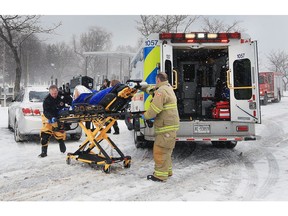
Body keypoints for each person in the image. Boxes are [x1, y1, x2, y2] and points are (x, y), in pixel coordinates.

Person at [142, 72, 180, 182]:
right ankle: (167, 171)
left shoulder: (161, 91)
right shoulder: (167, 87)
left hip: (166, 126)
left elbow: (155, 109)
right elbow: (153, 91)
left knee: (160, 151)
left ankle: (160, 175)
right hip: (170, 125)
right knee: (167, 150)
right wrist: (143, 87)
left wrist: (145, 116)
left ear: (158, 80)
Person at [38, 85, 67, 158]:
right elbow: (46, 111)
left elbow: (67, 102)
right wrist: (51, 118)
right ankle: (44, 152)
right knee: (45, 134)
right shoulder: (46, 100)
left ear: (57, 91)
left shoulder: (61, 96)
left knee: (59, 132)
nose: (54, 95)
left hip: (58, 116)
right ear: (50, 92)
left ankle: (61, 143)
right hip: (48, 117)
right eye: (52, 93)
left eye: (55, 93)